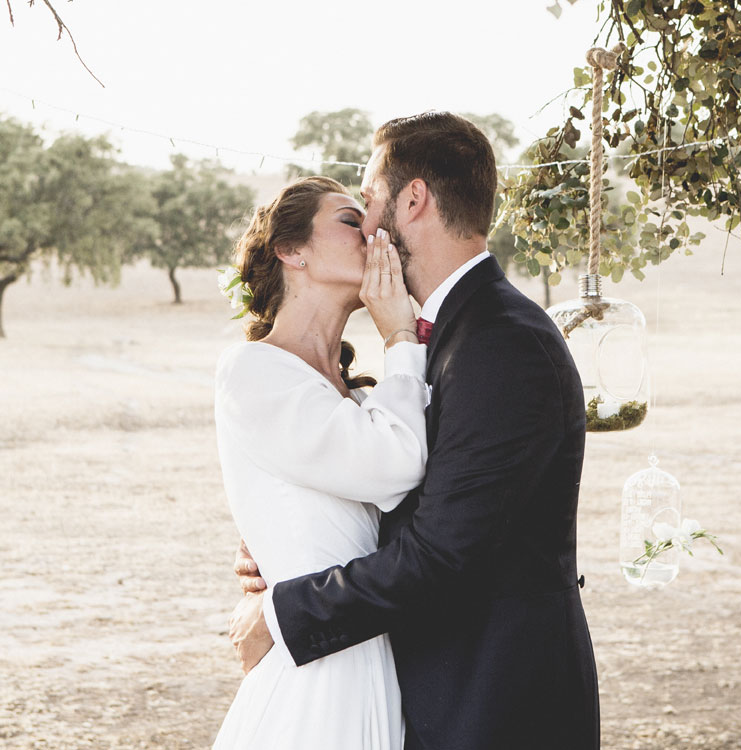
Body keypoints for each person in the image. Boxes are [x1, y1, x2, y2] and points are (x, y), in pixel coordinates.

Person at [232, 112, 600, 750]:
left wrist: (286, 609)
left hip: (495, 709)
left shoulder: (502, 344)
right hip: (432, 696)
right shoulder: (453, 337)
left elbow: (443, 552)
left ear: (413, 199)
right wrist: (291, 536)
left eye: (369, 203)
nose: (368, 225)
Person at [212, 175, 430, 749]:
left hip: (370, 660)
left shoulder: (359, 399)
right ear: (291, 251)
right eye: (351, 220)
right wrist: (401, 336)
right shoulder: (252, 372)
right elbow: (398, 464)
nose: (373, 231)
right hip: (315, 675)